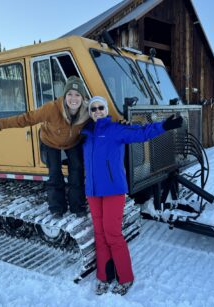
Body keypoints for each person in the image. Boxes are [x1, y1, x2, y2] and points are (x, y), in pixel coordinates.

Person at [81, 96, 183, 295]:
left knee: (112, 234)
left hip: (112, 189)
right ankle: (104, 275)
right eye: (93, 109)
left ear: (106, 109)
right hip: (92, 191)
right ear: (90, 112)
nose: (97, 111)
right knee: (100, 235)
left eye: (101, 107)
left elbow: (142, 133)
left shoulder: (115, 129)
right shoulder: (86, 134)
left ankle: (126, 277)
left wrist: (165, 125)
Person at [0, 76, 89, 217]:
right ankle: (57, 208)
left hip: (73, 142)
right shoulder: (52, 108)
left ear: (82, 97)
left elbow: (102, 119)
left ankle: (78, 206)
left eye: (77, 95)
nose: (73, 98)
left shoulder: (87, 111)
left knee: (77, 172)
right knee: (55, 173)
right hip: (50, 140)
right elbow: (27, 118)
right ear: (64, 96)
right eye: (69, 94)